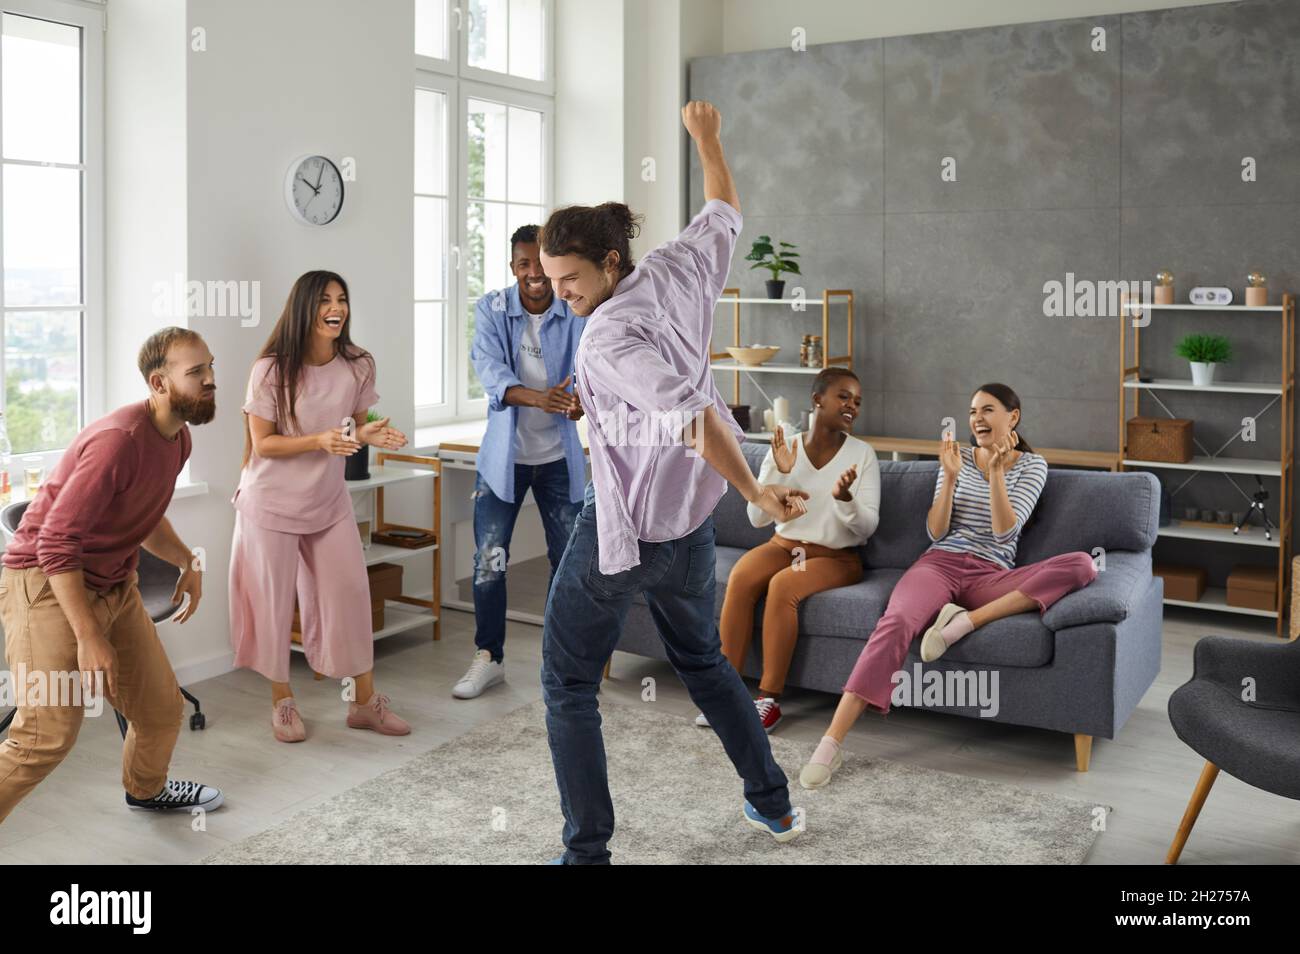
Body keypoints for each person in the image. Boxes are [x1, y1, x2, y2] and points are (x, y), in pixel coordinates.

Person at [537, 100, 811, 864]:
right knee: (705, 666)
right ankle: (775, 806)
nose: (563, 293)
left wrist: (757, 494)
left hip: (620, 535)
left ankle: (586, 854)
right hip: (689, 530)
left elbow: (691, 417)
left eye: (572, 279)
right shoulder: (678, 270)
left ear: (610, 265)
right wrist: (708, 139)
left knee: (566, 685)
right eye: (553, 281)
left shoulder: (606, 338)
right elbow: (723, 205)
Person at [798, 384, 1099, 788]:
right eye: (972, 410)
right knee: (897, 621)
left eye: (988, 409)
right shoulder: (955, 458)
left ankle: (966, 621)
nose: (977, 418)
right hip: (940, 563)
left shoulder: (1032, 466)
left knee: (1081, 564)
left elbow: (1003, 531)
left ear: (1013, 417)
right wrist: (953, 478)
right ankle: (831, 743)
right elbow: (936, 531)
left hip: (992, 574)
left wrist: (995, 473)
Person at [0, 327, 223, 820]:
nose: (210, 380)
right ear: (159, 383)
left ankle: (145, 790)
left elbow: (146, 516)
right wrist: (87, 635)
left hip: (114, 585)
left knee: (162, 710)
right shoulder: (118, 442)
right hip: (45, 584)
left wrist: (189, 561)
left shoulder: (176, 437)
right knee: (44, 737)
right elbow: (56, 544)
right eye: (197, 373)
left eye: (211, 368)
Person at [229, 270, 411, 742]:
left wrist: (366, 433)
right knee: (271, 606)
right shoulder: (270, 369)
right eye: (326, 299)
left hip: (326, 503)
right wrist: (318, 440)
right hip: (269, 503)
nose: (337, 307)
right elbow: (263, 445)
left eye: (342, 299)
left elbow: (351, 428)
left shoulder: (358, 363)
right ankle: (282, 703)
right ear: (304, 309)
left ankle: (364, 703)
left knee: (349, 596)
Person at [707, 367, 880, 732]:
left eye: (857, 401)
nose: (852, 406)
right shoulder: (784, 447)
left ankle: (768, 699)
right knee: (741, 575)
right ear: (818, 399)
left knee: (784, 586)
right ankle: (727, 694)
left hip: (836, 556)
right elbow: (756, 517)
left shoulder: (863, 455)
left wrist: (845, 499)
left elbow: (866, 528)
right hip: (784, 544)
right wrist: (781, 474)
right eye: (844, 396)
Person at [458, 224, 586, 699]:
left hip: (558, 459)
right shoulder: (491, 310)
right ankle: (488, 658)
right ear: (512, 267)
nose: (534, 274)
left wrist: (581, 403)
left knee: (567, 562)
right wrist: (542, 399)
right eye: (523, 264)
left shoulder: (575, 313)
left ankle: (562, 661)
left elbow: (590, 376)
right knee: (489, 563)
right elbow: (493, 376)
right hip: (503, 461)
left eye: (541, 264)